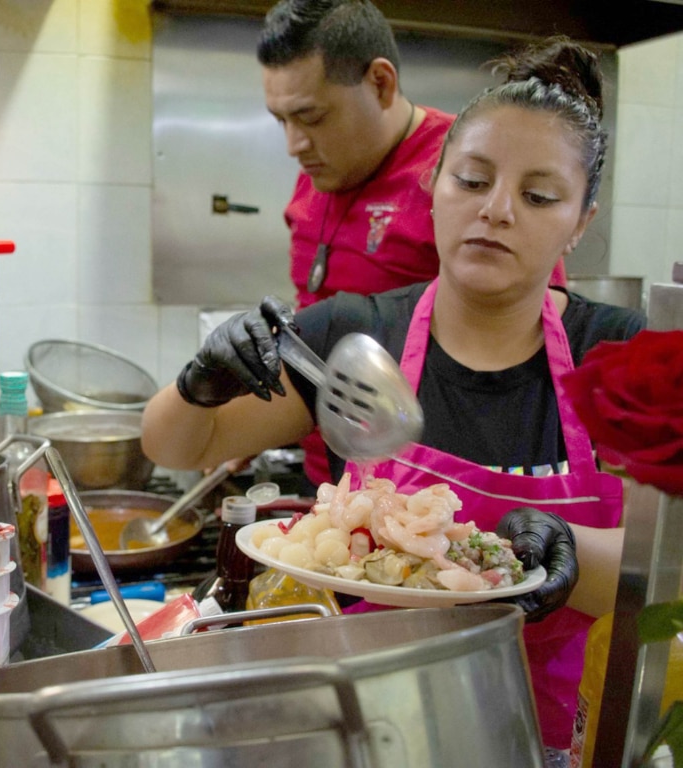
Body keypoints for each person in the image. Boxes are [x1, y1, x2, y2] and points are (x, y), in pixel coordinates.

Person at [142, 37, 644, 752]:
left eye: (538, 196)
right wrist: (200, 384)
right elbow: (176, 446)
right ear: (431, 186)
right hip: (376, 733)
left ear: (582, 220)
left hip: (564, 742)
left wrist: (570, 551)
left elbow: (669, 576)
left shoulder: (625, 359)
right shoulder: (357, 336)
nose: (497, 211)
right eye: (471, 181)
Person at [257, 0, 569, 493]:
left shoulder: (465, 174)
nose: (294, 143)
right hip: (328, 478)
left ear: (380, 83)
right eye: (281, 121)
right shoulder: (319, 172)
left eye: (311, 117)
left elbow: (531, 347)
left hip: (427, 495)